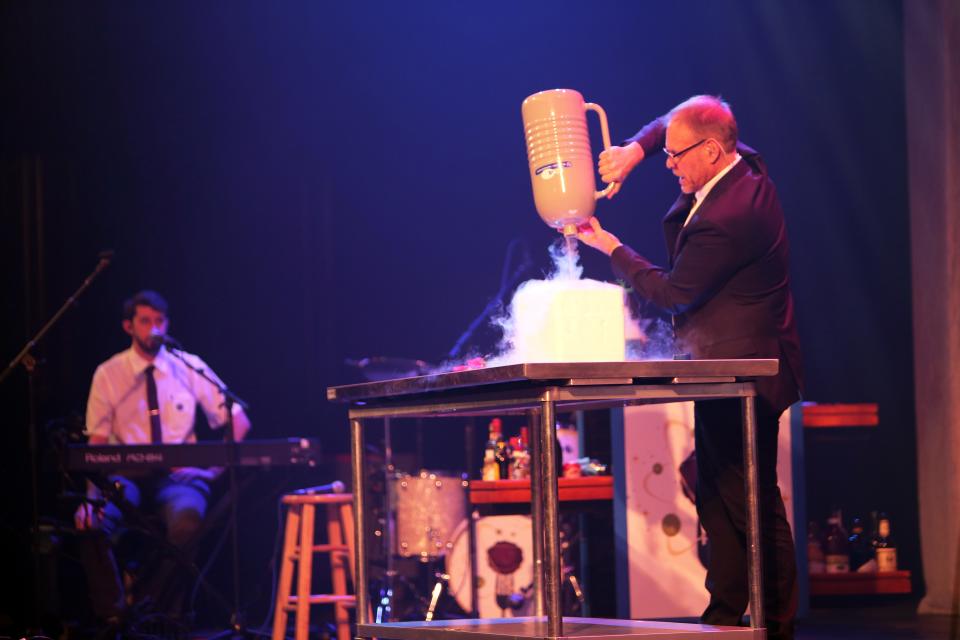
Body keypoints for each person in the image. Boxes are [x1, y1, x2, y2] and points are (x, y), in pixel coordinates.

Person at [576, 95, 803, 639]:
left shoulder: (731, 216)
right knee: (714, 492)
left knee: (749, 499)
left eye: (676, 156)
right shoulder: (739, 163)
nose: (669, 163)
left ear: (711, 151)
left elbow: (673, 292)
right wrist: (636, 149)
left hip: (748, 372)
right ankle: (725, 618)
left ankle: (776, 624)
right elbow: (671, 122)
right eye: (668, 154)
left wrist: (608, 245)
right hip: (722, 369)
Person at [75, 289, 251, 624]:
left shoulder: (188, 367)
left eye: (160, 321)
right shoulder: (109, 373)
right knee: (89, 522)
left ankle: (155, 613)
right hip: (124, 476)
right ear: (128, 326)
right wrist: (90, 497)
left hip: (177, 477)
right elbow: (96, 443)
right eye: (145, 321)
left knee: (187, 522)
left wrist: (212, 471)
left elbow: (238, 419)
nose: (154, 328)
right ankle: (113, 613)